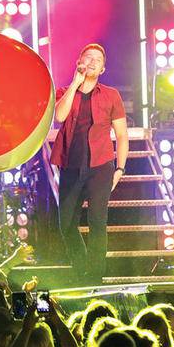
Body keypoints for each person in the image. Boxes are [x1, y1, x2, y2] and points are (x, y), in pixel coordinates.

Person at [50, 43, 129, 284]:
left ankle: (95, 275)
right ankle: (81, 268)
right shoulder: (66, 91)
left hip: (101, 166)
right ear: (79, 62)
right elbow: (59, 117)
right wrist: (75, 83)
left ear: (103, 68)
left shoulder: (111, 95)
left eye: (98, 59)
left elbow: (122, 135)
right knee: (67, 224)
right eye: (88, 57)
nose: (93, 61)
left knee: (97, 222)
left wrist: (120, 168)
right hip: (71, 166)